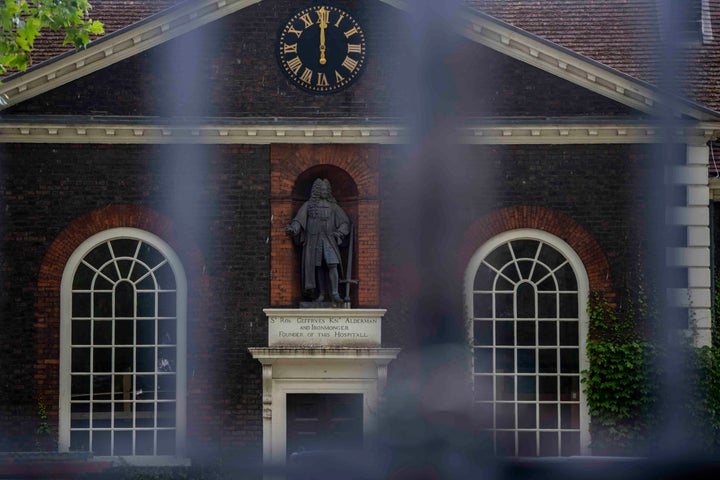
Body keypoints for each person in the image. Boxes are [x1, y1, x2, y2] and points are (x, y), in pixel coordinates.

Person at [286, 178, 350, 303]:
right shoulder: (309, 206)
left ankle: (335, 293)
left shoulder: (333, 206)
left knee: (332, 264)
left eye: (326, 189)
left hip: (329, 239)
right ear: (317, 191)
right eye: (322, 189)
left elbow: (344, 222)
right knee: (319, 266)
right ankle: (321, 294)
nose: (324, 191)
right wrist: (293, 229)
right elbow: (298, 220)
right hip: (314, 240)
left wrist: (340, 233)